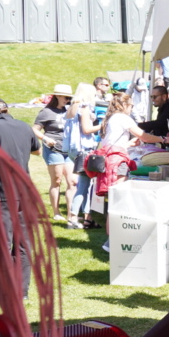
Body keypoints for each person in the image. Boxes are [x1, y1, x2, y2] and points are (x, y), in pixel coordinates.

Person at [0, 97, 39, 295]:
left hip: (2, 192)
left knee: (0, 243)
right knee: (23, 243)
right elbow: (37, 151)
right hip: (25, 192)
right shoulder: (25, 127)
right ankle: (21, 289)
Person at [33, 83, 75, 221]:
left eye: (69, 97)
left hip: (68, 150)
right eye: (65, 97)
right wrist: (45, 138)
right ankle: (56, 212)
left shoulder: (69, 110)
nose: (67, 100)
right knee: (56, 180)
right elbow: (34, 130)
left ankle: (71, 213)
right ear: (57, 96)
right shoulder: (46, 112)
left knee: (72, 181)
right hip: (53, 149)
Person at [64, 85, 101, 230]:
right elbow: (86, 129)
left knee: (87, 184)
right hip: (84, 150)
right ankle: (73, 217)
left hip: (74, 150)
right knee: (84, 186)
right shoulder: (85, 108)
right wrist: (103, 125)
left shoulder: (73, 107)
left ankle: (87, 217)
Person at [99, 89, 145, 154]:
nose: (132, 109)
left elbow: (112, 142)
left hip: (108, 154)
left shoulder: (111, 117)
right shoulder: (122, 118)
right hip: (116, 156)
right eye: (132, 106)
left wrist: (129, 143)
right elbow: (143, 136)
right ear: (124, 105)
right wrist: (162, 139)